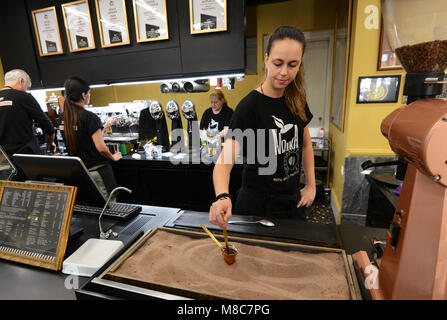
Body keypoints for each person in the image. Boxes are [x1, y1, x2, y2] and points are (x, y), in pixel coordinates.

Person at [209, 26, 316, 228]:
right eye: (278, 63)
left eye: (293, 65)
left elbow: (306, 146)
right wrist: (223, 196)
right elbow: (224, 162)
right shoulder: (249, 107)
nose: (284, 72)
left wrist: (311, 186)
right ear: (266, 59)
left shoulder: (297, 100)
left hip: (291, 203)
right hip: (256, 206)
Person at [63, 75, 122, 199]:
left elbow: (84, 135)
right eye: (89, 93)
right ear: (84, 95)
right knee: (109, 209)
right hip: (98, 174)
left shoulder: (66, 118)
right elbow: (101, 147)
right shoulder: (89, 117)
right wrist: (113, 157)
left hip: (81, 174)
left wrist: (104, 127)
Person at [0, 69, 56, 156]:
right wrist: (50, 143)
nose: (26, 90)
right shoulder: (24, 97)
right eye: (27, 87)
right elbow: (48, 127)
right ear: (21, 81)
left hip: (4, 157)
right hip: (25, 155)